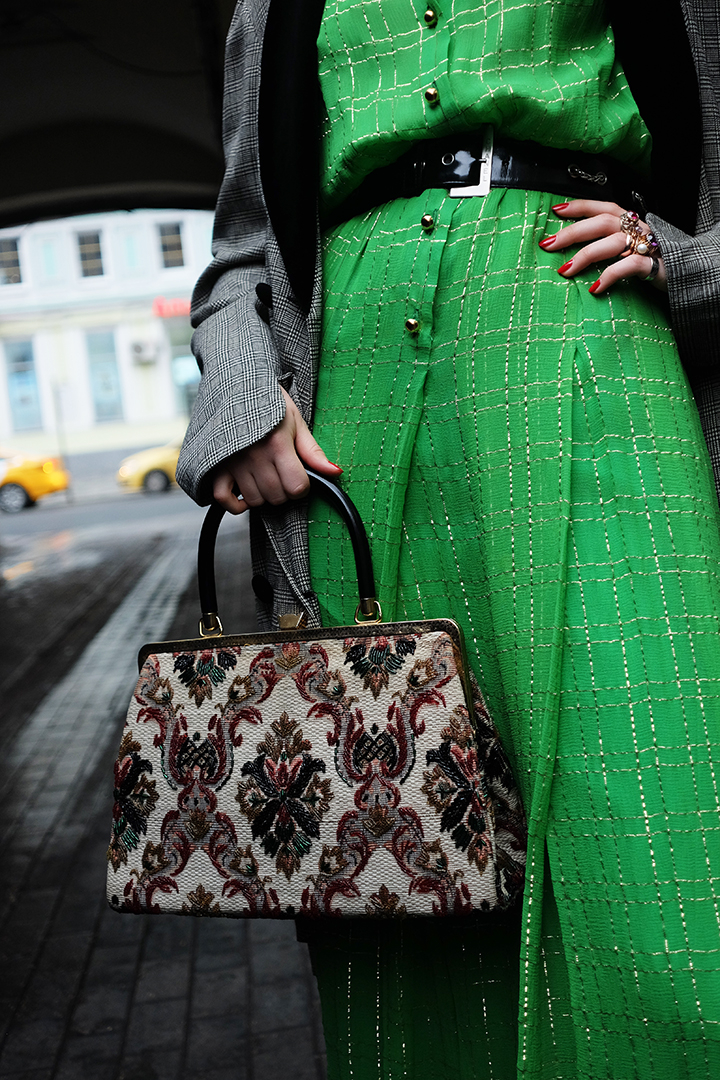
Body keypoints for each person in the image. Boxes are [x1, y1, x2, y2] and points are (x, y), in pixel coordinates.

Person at [177, 1, 720, 1076]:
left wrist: (688, 258)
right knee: (398, 856)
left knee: (659, 857)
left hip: (592, 341)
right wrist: (243, 397)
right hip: (355, 410)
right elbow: (239, 257)